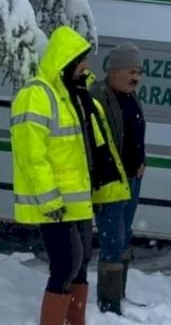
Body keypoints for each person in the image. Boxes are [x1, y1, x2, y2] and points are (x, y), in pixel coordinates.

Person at [10, 26, 130, 325]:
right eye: (82, 60)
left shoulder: (75, 96)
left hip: (77, 199)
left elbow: (91, 148)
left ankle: (75, 321)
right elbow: (30, 155)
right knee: (65, 265)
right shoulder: (36, 95)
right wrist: (49, 200)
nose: (86, 66)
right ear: (67, 60)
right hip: (55, 202)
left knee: (80, 263)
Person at [91, 43, 146, 314]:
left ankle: (119, 294)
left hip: (132, 181)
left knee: (124, 237)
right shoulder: (98, 97)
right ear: (113, 71)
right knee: (112, 240)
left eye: (139, 71)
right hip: (111, 182)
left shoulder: (132, 96)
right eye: (131, 71)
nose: (136, 77)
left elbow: (135, 135)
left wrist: (141, 161)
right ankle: (108, 303)